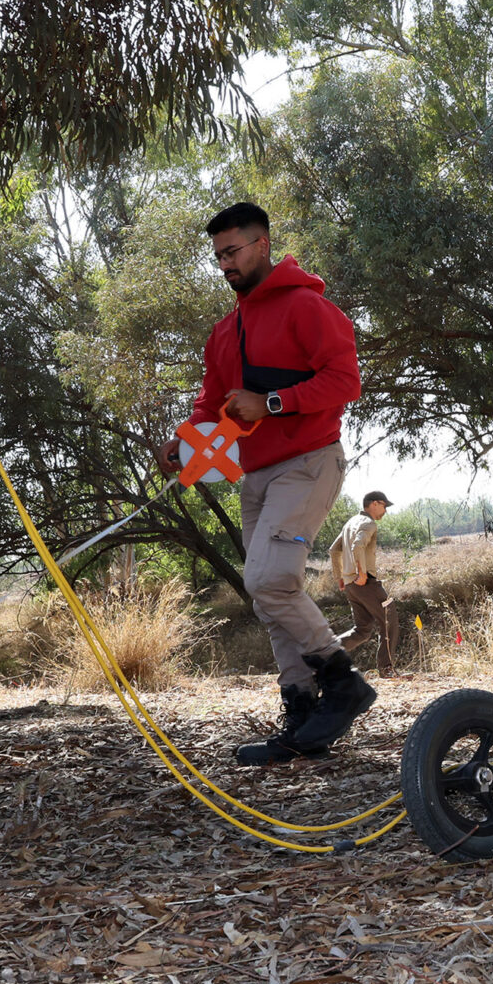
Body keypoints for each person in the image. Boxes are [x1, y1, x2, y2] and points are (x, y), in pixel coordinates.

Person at [162, 201, 372, 764]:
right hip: (254, 476)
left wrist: (272, 401)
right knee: (267, 591)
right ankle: (302, 714)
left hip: (308, 461)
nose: (225, 264)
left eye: (232, 252)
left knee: (269, 579)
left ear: (262, 244)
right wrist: (184, 444)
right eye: (218, 257)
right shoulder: (223, 332)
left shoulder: (307, 306)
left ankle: (344, 683)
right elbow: (212, 402)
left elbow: (345, 379)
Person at [330, 492, 400, 675]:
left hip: (351, 586)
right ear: (375, 504)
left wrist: (340, 577)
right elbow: (357, 546)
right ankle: (387, 669)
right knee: (389, 618)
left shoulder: (350, 523)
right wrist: (361, 573)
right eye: (384, 506)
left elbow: (333, 550)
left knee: (362, 630)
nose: (385, 511)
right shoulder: (369, 523)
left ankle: (324, 653)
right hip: (365, 583)